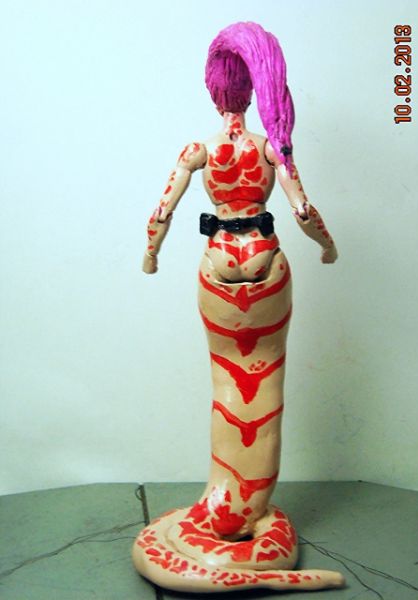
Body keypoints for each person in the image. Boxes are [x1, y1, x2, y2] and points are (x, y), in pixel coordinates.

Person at [134, 22, 343, 593]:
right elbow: (303, 211)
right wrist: (327, 247)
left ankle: (231, 505)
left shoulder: (199, 151)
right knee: (265, 375)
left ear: (213, 91)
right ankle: (243, 507)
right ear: (251, 91)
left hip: (219, 260)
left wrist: (151, 256)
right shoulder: (272, 148)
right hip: (265, 260)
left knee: (226, 377)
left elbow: (162, 211)